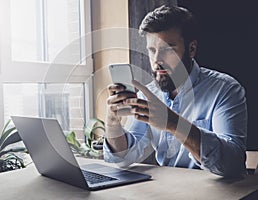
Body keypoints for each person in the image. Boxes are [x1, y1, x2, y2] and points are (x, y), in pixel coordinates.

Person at [103, 5, 247, 177]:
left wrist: (173, 123)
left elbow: (232, 164)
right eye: (152, 50)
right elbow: (123, 158)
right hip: (169, 191)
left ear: (191, 49)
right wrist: (112, 124)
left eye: (167, 49)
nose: (157, 60)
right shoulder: (148, 95)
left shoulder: (225, 90)